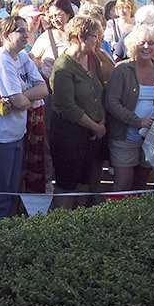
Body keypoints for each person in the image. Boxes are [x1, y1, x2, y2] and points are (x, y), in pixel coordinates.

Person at [0, 16, 48, 220]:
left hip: (14, 135)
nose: (25, 35)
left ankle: (5, 236)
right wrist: (26, 97)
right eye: (20, 31)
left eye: (26, 30)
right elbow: (19, 103)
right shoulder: (2, 62)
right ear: (5, 35)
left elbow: (44, 89)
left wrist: (23, 97)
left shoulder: (22, 56)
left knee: (11, 192)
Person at [49, 16, 105, 209]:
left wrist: (101, 122)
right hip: (69, 133)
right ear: (81, 37)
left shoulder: (92, 58)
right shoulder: (63, 67)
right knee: (67, 182)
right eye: (95, 36)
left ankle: (80, 220)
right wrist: (96, 127)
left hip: (91, 132)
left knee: (84, 178)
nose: (98, 40)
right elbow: (69, 108)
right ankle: (62, 222)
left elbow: (99, 92)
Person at [105, 25, 154, 191]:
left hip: (152, 137)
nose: (146, 47)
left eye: (151, 43)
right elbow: (112, 102)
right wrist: (138, 121)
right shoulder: (122, 69)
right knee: (123, 183)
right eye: (142, 43)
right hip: (124, 136)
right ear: (133, 45)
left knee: (141, 183)